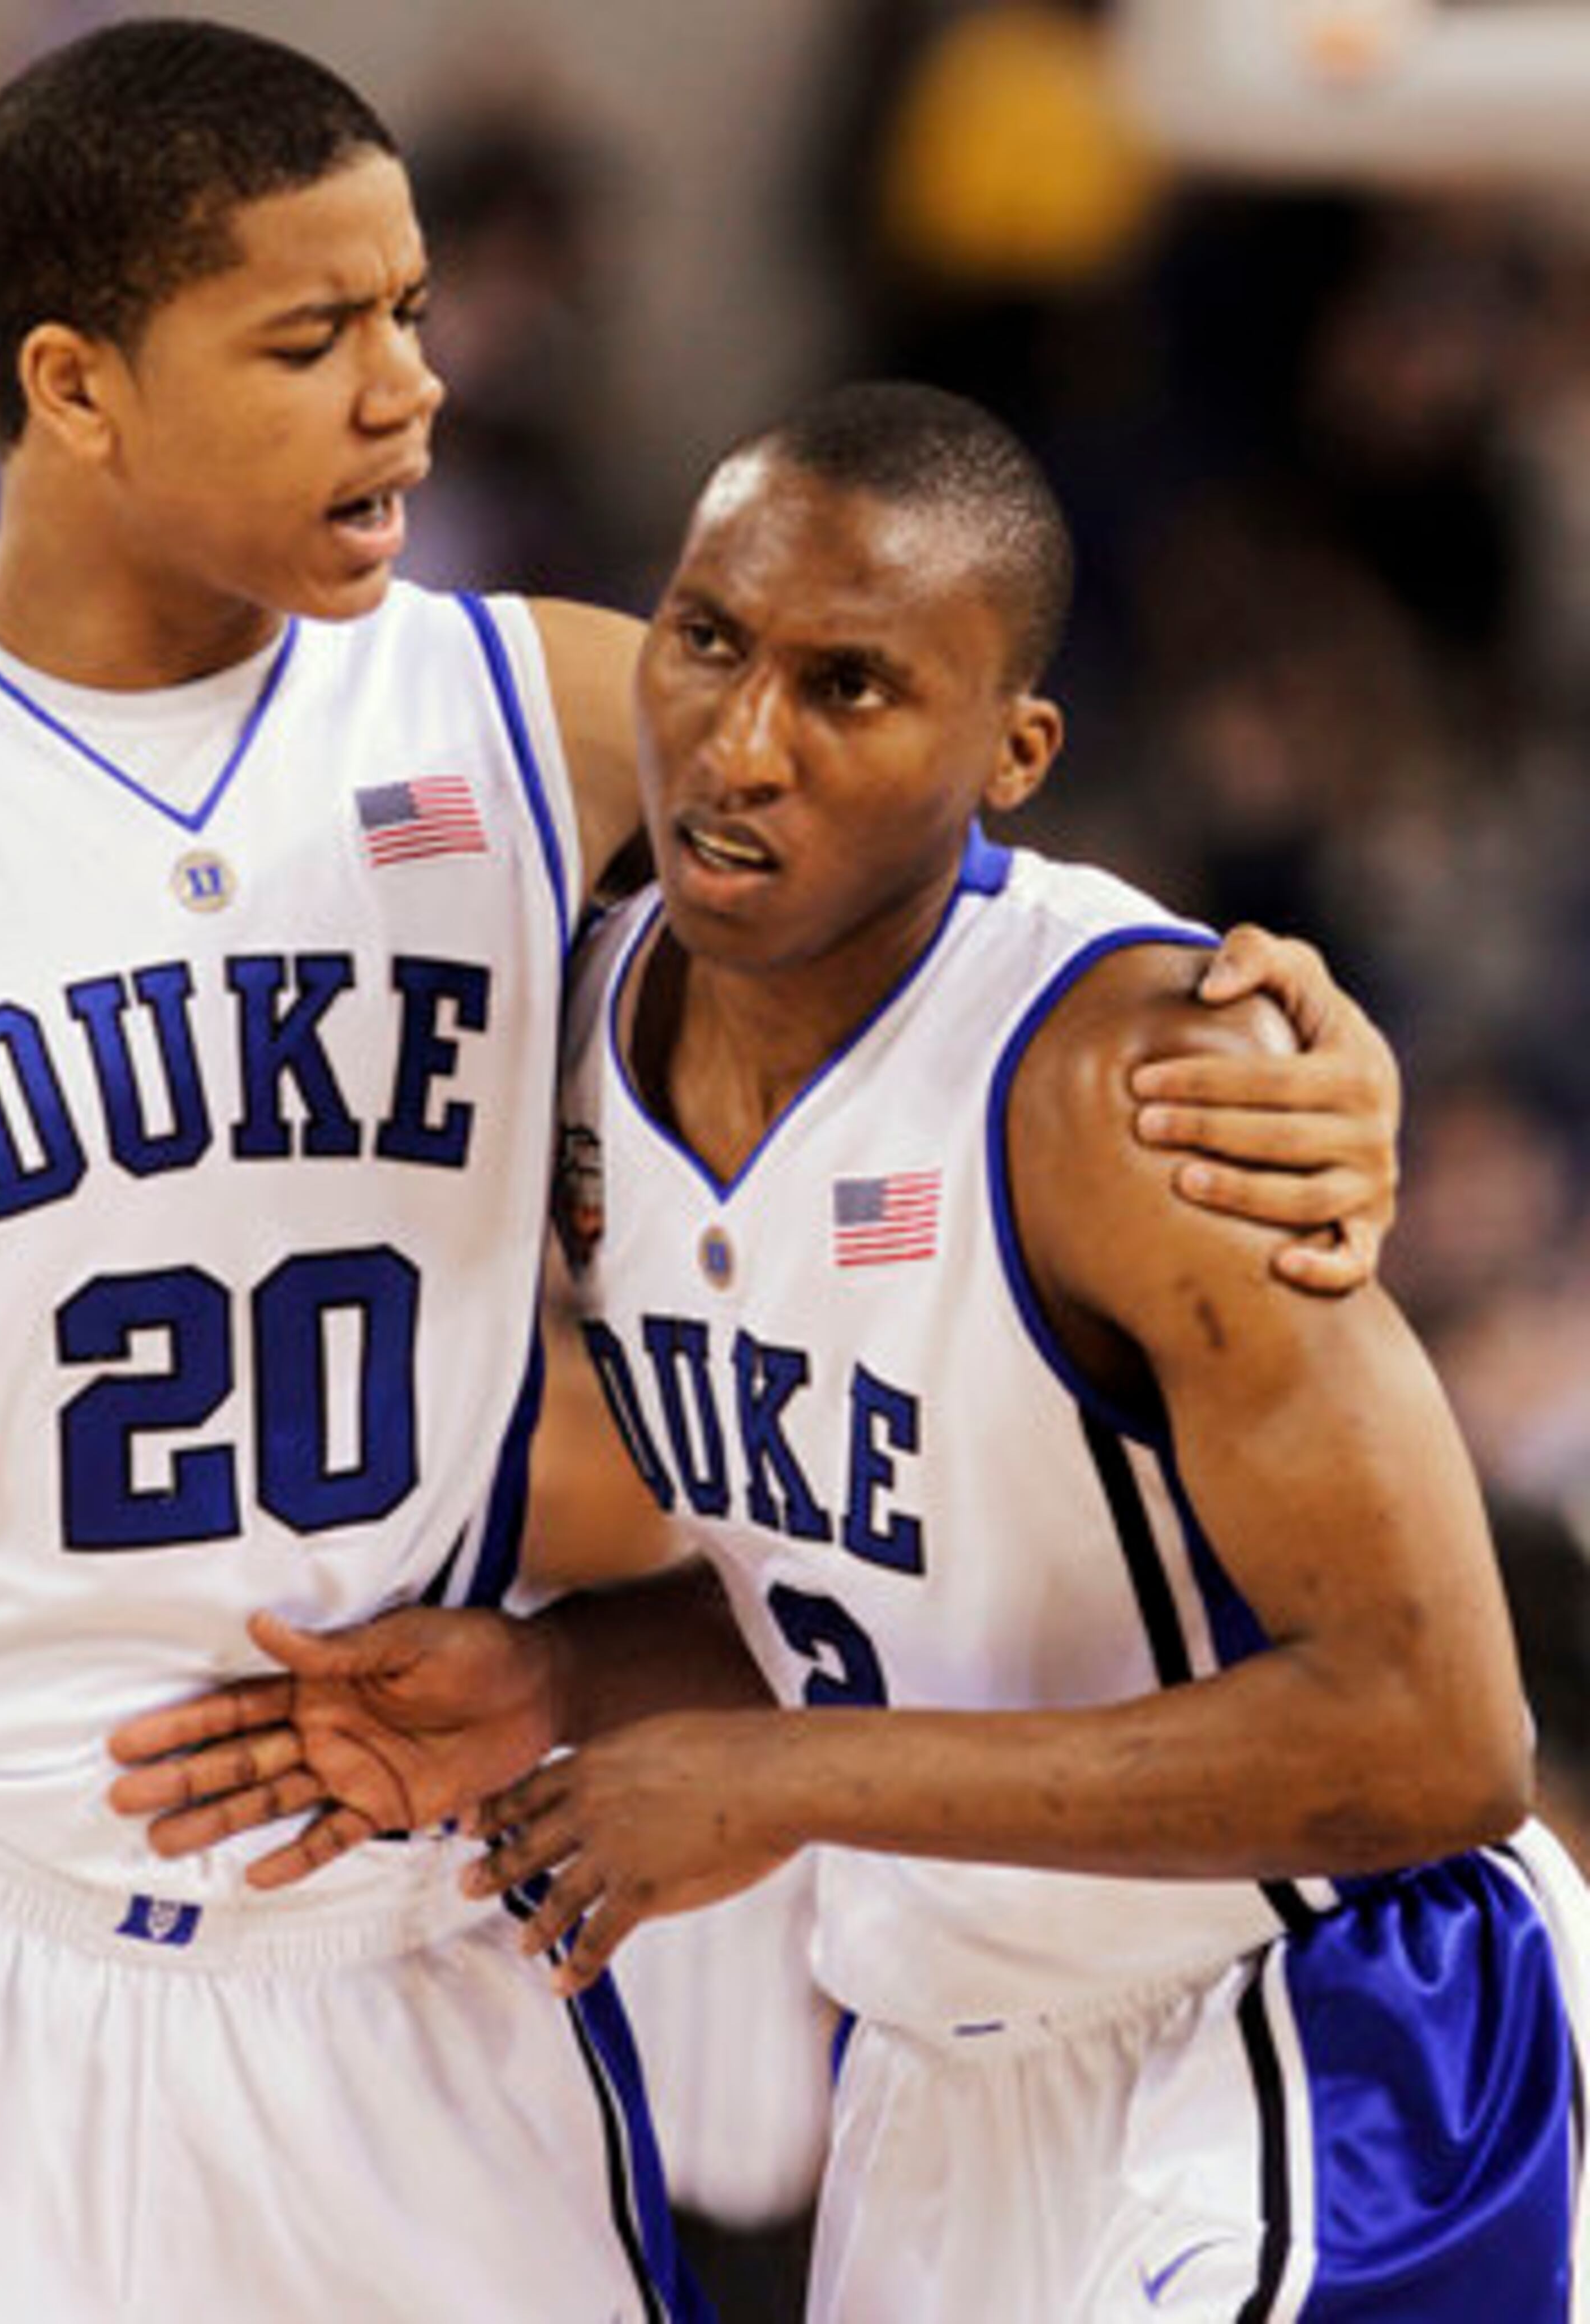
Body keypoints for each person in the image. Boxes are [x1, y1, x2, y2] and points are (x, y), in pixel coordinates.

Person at [0, 15, 1398, 2319]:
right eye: (311, 336)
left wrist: (1273, 1021)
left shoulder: (555, 713)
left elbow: (1006, 947)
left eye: (414, 315)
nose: (408, 392)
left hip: (420, 1952)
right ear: (75, 386)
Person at [109, 381, 1590, 2321]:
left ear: (1014, 751)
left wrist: (785, 1781)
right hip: (940, 2077)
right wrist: (562, 1674)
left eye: (852, 688)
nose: (743, 744)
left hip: (1314, 2039)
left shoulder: (1134, 1079)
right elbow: (898, 1591)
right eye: (711, 642)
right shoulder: (576, 1026)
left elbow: (1438, 1742)